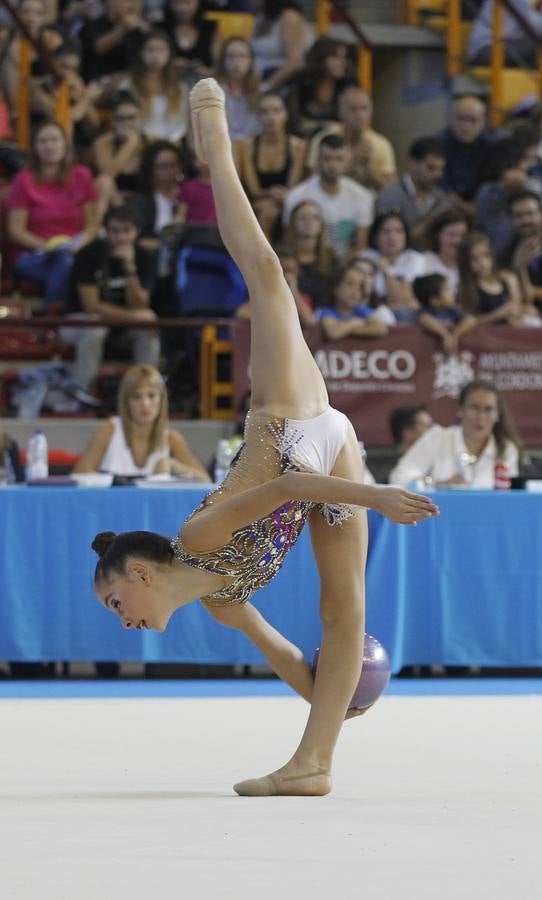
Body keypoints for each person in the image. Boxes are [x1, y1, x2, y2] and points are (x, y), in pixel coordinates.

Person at [92, 78, 438, 797]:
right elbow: (288, 658)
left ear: (142, 574)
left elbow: (286, 486)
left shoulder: (201, 533)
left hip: (287, 424)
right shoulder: (221, 602)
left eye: (116, 603)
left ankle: (215, 146)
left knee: (269, 277)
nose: (123, 620)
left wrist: (376, 497)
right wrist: (338, 693)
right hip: (329, 461)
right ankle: (314, 764)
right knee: (344, 612)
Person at [61, 204, 160, 390]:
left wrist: (130, 269)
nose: (121, 237)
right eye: (115, 231)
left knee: (149, 332)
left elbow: (140, 304)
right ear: (106, 231)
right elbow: (91, 306)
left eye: (126, 231)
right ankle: (82, 392)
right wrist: (134, 317)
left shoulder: (144, 257)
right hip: (79, 321)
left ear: (136, 232)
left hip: (120, 325)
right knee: (95, 329)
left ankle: (146, 391)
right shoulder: (89, 254)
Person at [6, 121, 99, 308]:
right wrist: (49, 246)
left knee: (69, 263)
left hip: (75, 250)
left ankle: (56, 324)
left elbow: (92, 226)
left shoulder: (82, 176)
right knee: (65, 264)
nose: (49, 145)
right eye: (43, 141)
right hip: (33, 254)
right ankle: (55, 322)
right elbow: (15, 230)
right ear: (34, 147)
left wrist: (76, 245)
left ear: (65, 145)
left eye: (55, 140)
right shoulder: (24, 180)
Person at [74, 364, 209, 479]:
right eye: (137, 397)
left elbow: (205, 481)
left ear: (161, 400)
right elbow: (78, 477)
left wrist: (174, 467)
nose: (145, 404)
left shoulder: (171, 438)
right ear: (126, 402)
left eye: (151, 396)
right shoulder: (109, 431)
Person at [389, 379, 521, 489]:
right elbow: (399, 477)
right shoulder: (438, 438)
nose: (481, 417)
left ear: (497, 415)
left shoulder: (506, 449)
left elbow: (510, 496)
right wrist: (436, 484)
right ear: (460, 410)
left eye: (488, 409)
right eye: (474, 408)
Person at [283, 134, 374, 260]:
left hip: (344, 264)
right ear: (317, 160)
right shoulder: (297, 195)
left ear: (348, 161)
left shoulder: (363, 197)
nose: (333, 165)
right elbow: (289, 240)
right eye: (327, 158)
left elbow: (360, 245)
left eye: (339, 159)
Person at [307, 85, 397, 191]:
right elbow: (314, 182)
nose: (359, 115)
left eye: (364, 108)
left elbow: (391, 192)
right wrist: (352, 161)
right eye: (353, 109)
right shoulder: (324, 138)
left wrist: (369, 171)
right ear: (340, 111)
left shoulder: (382, 144)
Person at [375, 137, 450, 245]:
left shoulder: (441, 198)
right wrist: (433, 221)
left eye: (440, 169)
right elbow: (391, 240)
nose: (438, 175)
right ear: (412, 163)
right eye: (431, 168)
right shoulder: (391, 195)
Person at [234, 91, 306, 201]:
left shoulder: (298, 146)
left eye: (276, 111)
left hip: (286, 201)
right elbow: (254, 191)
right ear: (258, 116)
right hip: (257, 203)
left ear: (286, 114)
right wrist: (270, 193)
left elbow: (292, 189)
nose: (271, 117)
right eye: (264, 112)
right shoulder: (246, 146)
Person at [120, 29, 190, 142]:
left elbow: (182, 123)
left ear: (169, 54)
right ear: (141, 53)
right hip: (140, 143)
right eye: (150, 50)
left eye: (161, 50)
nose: (155, 55)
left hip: (173, 143)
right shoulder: (127, 86)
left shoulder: (181, 88)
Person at [285, 37, 357, 139]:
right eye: (335, 57)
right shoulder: (301, 85)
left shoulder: (348, 87)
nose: (341, 62)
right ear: (320, 58)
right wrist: (327, 125)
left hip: (340, 143)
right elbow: (295, 123)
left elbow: (354, 122)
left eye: (344, 57)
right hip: (302, 140)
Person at [359, 212, 426, 322]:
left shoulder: (414, 259)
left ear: (406, 235)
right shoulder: (366, 257)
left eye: (399, 231)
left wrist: (386, 271)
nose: (392, 237)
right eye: (385, 231)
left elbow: (401, 299)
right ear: (375, 235)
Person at [437, 95, 493, 215]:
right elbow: (439, 183)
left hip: (482, 203)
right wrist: (463, 206)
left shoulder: (492, 144)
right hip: (448, 204)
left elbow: (493, 181)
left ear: (483, 121)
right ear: (451, 119)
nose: (465, 127)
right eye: (460, 119)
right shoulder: (438, 143)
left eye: (472, 120)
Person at [457, 231, 522, 325]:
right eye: (474, 259)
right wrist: (498, 314)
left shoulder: (508, 279)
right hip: (486, 337)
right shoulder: (466, 289)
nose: (482, 263)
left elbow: (516, 310)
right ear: (466, 263)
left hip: (511, 334)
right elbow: (468, 323)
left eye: (486, 255)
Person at [284, 200, 337, 307]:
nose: (309, 221)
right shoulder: (282, 256)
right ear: (293, 223)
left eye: (315, 217)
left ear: (321, 224)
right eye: (303, 217)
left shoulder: (332, 259)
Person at [316, 263, 390, 341]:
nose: (355, 291)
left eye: (360, 287)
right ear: (335, 288)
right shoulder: (327, 311)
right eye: (350, 284)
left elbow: (381, 329)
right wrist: (353, 323)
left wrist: (348, 330)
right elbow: (333, 333)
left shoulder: (361, 310)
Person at [250, 0, 312, 92]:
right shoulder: (261, 16)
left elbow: (295, 61)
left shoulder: (290, 16)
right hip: (255, 79)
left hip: (279, 82)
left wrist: (267, 85)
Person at [413, 273, 477, 355]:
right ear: (435, 300)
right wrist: (445, 335)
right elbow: (424, 319)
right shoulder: (426, 311)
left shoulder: (453, 311)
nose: (452, 292)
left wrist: (453, 336)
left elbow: (471, 320)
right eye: (446, 289)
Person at [216, 37, 262, 142]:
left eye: (242, 56)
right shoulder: (215, 92)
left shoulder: (261, 92)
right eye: (231, 57)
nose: (237, 63)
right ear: (223, 61)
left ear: (251, 61)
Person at [163, 0, 220, 82]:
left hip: (204, 83)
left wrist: (206, 72)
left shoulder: (211, 27)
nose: (182, 8)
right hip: (169, 82)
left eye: (188, 2)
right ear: (169, 4)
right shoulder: (160, 28)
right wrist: (170, 66)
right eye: (177, 3)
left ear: (198, 3)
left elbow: (218, 66)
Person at [422, 208, 470, 297]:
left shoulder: (470, 265)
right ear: (438, 235)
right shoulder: (423, 261)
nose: (457, 241)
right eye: (451, 235)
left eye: (462, 235)